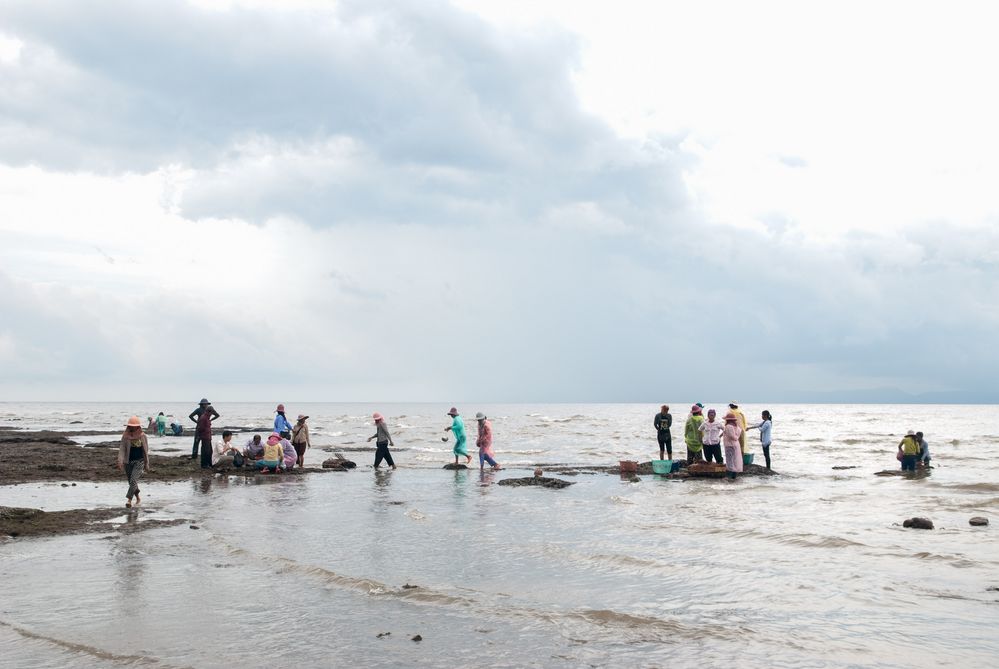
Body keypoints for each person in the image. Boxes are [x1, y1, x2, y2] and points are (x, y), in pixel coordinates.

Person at [117, 416, 152, 508]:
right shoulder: (125, 436)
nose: (132, 427)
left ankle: (129, 500)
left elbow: (146, 449)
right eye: (130, 426)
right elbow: (122, 449)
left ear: (138, 426)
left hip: (139, 462)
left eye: (134, 426)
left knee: (133, 480)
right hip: (128, 462)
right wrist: (120, 461)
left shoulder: (142, 436)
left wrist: (146, 463)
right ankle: (138, 497)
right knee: (132, 482)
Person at [188, 398, 220, 467]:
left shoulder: (208, 413)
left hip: (206, 432)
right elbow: (191, 416)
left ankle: (209, 462)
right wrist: (197, 422)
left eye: (206, 404)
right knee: (199, 444)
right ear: (201, 404)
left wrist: (211, 420)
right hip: (201, 431)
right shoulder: (200, 412)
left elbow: (217, 415)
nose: (205, 405)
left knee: (208, 448)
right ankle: (195, 456)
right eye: (204, 404)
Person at [722, 411, 744, 479]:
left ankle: (730, 477)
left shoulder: (728, 426)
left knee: (730, 461)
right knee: (735, 461)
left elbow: (733, 437)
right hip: (735, 445)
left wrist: (736, 437)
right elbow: (737, 435)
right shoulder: (737, 427)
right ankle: (733, 477)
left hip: (729, 445)